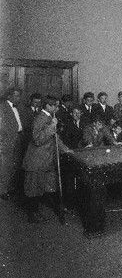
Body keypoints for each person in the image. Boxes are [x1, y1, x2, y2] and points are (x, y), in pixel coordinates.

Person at [22, 95, 73, 223]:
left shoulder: (50, 117)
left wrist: (65, 149)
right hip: (36, 160)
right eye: (55, 105)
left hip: (47, 159)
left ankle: (58, 208)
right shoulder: (40, 118)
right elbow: (37, 140)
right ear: (47, 106)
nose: (57, 107)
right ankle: (32, 215)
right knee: (33, 189)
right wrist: (51, 126)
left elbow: (55, 138)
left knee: (51, 185)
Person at [0, 88, 27, 200]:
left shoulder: (18, 107)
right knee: (5, 167)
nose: (18, 98)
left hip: (18, 138)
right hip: (7, 141)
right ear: (9, 96)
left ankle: (11, 188)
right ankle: (2, 191)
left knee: (15, 165)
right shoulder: (2, 107)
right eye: (15, 96)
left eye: (19, 96)